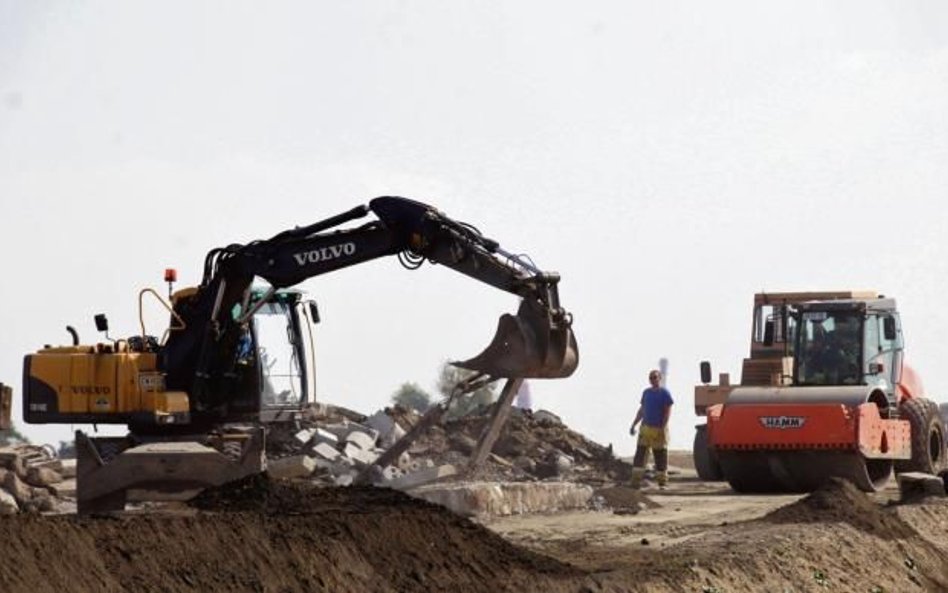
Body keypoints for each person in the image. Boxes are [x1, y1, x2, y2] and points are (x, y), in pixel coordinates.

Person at [629, 369, 673, 489]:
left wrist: (662, 428)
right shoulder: (646, 393)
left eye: (655, 377)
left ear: (660, 378)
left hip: (658, 429)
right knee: (640, 455)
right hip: (645, 428)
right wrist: (634, 424)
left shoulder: (664, 393)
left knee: (660, 455)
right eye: (651, 378)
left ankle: (662, 483)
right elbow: (642, 410)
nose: (653, 380)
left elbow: (667, 412)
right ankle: (635, 481)